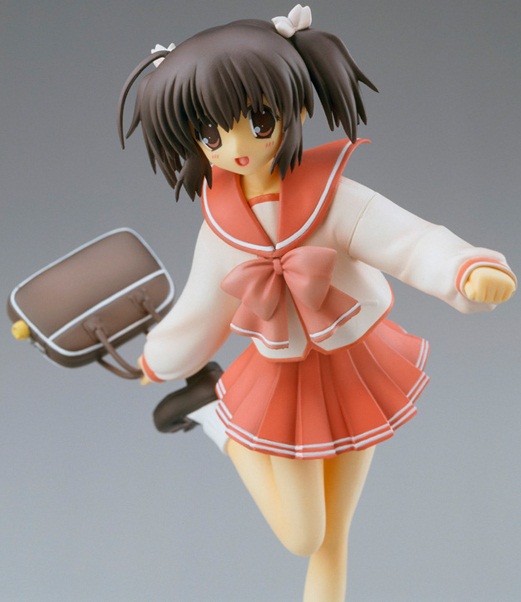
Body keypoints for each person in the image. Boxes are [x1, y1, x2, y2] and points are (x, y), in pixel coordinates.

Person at [118, 5, 516, 600]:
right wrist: (161, 359)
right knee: (304, 535)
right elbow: (203, 308)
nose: (236, 146)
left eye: (257, 119)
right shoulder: (220, 228)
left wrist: (465, 268)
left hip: (355, 366)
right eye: (211, 134)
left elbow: (408, 240)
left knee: (335, 538)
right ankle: (212, 417)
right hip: (283, 382)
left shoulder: (333, 197)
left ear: (296, 106)